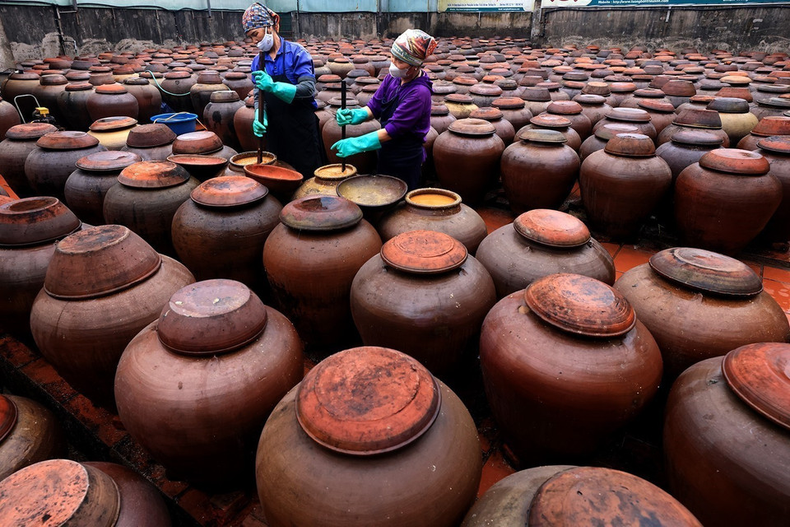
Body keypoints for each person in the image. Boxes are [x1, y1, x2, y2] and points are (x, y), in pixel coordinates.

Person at [331, 29, 436, 190]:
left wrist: (357, 143)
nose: (393, 63)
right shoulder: (392, 78)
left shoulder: (419, 93)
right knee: (384, 192)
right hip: (386, 151)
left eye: (399, 61)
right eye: (392, 57)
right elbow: (374, 106)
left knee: (402, 203)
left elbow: (391, 131)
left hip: (405, 158)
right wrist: (355, 115)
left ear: (415, 66)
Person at [243, 2, 323, 178]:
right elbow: (259, 94)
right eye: (250, 37)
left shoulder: (296, 53)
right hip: (276, 132)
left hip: (301, 128)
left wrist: (274, 86)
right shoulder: (258, 62)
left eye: (255, 34)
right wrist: (260, 115)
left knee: (307, 178)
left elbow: (308, 89)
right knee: (279, 176)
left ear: (269, 26)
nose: (254, 41)